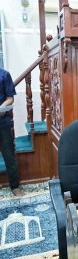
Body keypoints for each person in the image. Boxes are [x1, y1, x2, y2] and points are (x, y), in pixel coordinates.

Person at [0, 68, 24, 196]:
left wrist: (1, 108)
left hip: (2, 123)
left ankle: (15, 186)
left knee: (9, 155)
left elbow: (10, 98)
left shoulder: (4, 75)